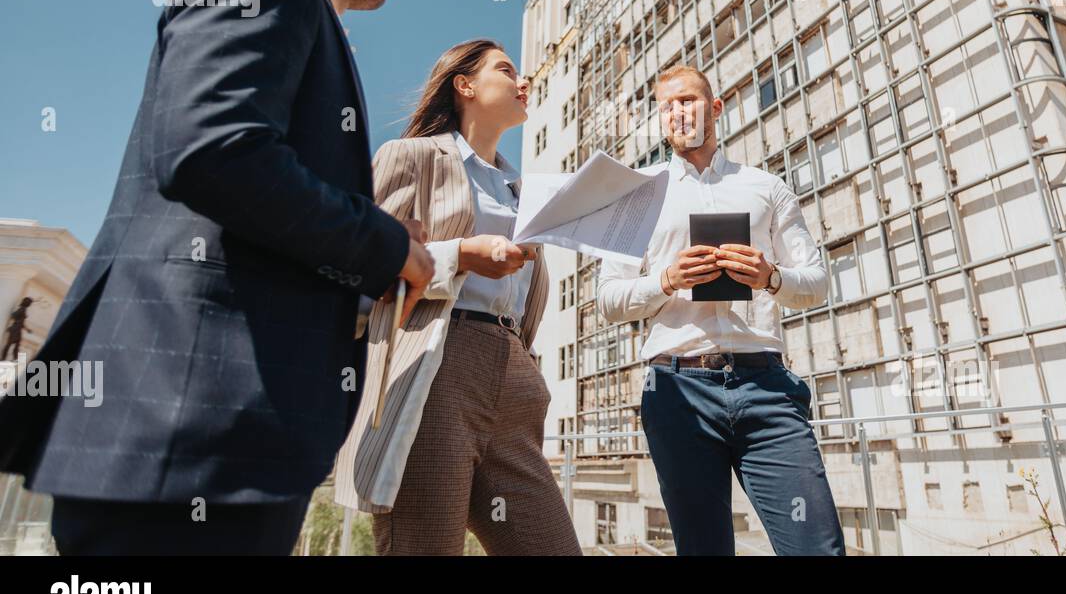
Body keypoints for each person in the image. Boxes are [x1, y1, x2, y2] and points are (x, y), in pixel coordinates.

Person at [0, 0, 435, 555]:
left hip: (232, 448)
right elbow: (213, 150)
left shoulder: (307, 19)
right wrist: (388, 244)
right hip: (183, 433)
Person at [335, 39, 582, 556]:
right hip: (437, 369)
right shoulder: (411, 157)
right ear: (465, 86)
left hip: (514, 377)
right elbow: (362, 267)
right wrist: (460, 257)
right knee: (423, 546)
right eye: (506, 69)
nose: (524, 82)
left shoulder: (523, 190)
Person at [597, 64, 845, 555]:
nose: (677, 113)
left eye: (687, 100)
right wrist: (667, 280)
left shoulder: (766, 187)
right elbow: (608, 300)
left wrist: (769, 276)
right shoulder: (638, 195)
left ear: (714, 108)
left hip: (766, 388)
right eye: (666, 107)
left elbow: (816, 283)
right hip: (677, 392)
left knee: (816, 546)